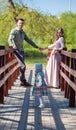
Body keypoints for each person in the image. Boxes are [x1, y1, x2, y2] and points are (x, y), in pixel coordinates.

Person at [8, 18, 43, 86]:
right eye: (20, 23)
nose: (21, 24)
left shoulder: (23, 32)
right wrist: (13, 46)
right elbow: (10, 39)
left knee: (23, 66)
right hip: (16, 51)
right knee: (23, 66)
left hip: (21, 51)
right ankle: (23, 81)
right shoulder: (14, 31)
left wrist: (37, 47)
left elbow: (29, 40)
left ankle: (22, 82)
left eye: (22, 23)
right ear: (17, 23)